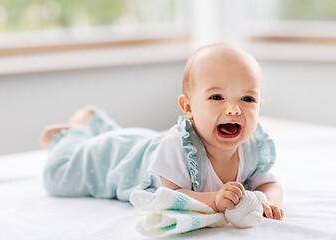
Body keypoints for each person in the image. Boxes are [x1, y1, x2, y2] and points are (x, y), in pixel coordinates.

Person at [40, 42, 283, 220]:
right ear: (188, 107)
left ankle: (98, 122)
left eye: (247, 98)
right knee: (56, 177)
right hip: (115, 158)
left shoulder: (254, 147)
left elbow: (269, 184)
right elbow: (170, 196)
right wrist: (214, 200)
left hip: (146, 146)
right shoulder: (178, 146)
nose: (233, 109)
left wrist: (269, 203)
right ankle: (77, 131)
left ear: (259, 105)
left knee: (126, 139)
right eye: (217, 97)